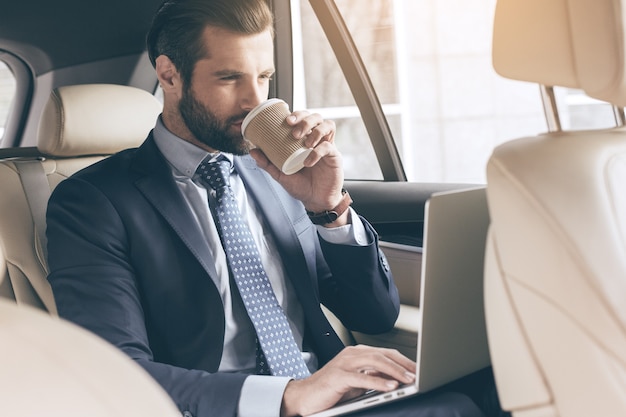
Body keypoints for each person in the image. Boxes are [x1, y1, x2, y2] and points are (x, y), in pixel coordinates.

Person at [45, 0, 501, 416]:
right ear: (169, 76)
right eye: (230, 78)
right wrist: (287, 397)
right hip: (226, 407)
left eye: (263, 77)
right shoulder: (93, 202)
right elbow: (114, 369)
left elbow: (376, 316)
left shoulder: (276, 174)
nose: (254, 101)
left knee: (493, 387)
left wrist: (328, 210)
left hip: (328, 400)